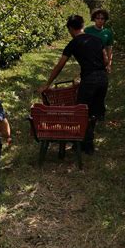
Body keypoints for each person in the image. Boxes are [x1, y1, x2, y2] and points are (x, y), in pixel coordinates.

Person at [40, 14, 108, 154]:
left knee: (81, 111)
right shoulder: (97, 40)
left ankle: (83, 144)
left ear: (71, 28)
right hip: (103, 78)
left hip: (89, 80)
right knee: (94, 111)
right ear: (83, 25)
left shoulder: (73, 43)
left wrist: (48, 84)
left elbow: (60, 66)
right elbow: (106, 60)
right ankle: (88, 143)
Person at [84, 9, 114, 73]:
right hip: (89, 61)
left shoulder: (108, 32)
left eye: (102, 18)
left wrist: (109, 64)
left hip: (102, 62)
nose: (100, 20)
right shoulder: (87, 30)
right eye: (98, 18)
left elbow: (109, 49)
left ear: (105, 20)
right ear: (94, 19)